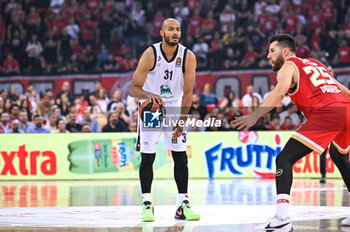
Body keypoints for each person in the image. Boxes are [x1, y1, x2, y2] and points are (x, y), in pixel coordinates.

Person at [231, 34, 350, 230]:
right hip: (346, 111)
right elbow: (341, 89)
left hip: (328, 113)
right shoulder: (315, 63)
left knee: (283, 159)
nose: (268, 56)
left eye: (272, 51)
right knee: (339, 157)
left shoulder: (288, 66)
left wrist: (255, 115)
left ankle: (282, 217)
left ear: (285, 51)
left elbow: (279, 93)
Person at [129, 18, 200, 222]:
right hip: (151, 107)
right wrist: (148, 96)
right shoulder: (151, 54)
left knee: (180, 156)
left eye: (178, 29)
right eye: (170, 29)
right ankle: (146, 203)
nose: (175, 32)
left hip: (175, 106)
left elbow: (188, 93)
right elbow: (134, 88)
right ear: (162, 33)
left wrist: (181, 120)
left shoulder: (188, 56)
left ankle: (183, 204)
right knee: (148, 157)